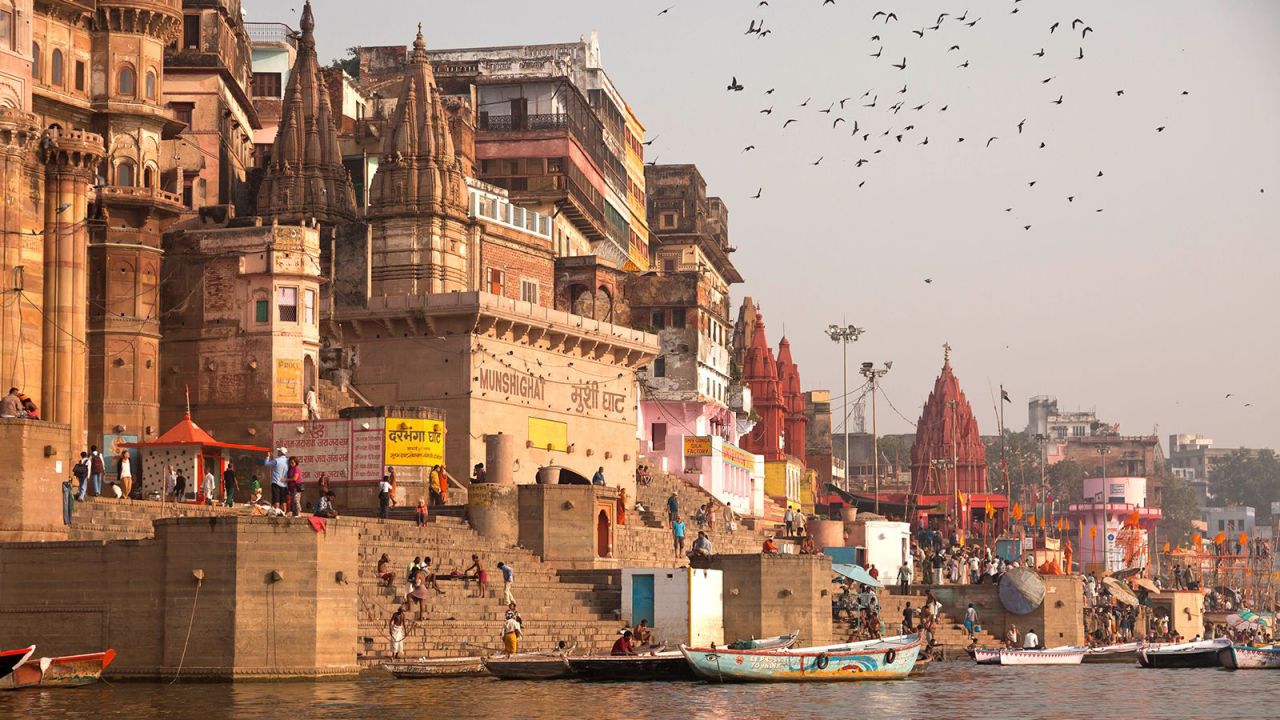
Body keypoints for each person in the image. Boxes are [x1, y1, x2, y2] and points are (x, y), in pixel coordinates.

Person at [261, 448, 290, 513]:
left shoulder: (276, 460)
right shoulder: (287, 461)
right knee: (283, 500)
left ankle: (277, 512)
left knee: (276, 499)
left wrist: (268, 456)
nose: (277, 452)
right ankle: (284, 512)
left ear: (281, 452)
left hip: (276, 482)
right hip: (284, 484)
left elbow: (266, 464)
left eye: (278, 451)